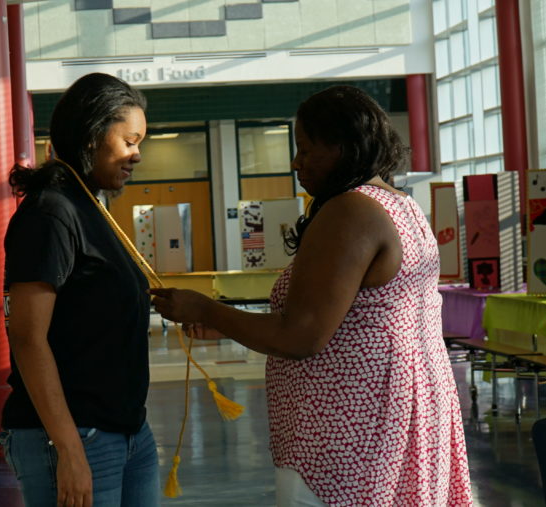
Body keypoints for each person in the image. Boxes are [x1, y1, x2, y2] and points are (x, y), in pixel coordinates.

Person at [150, 86, 472, 506]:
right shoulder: (400, 205)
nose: (296, 162)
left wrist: (204, 306)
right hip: (399, 417)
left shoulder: (351, 210)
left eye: (305, 149)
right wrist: (228, 324)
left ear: (344, 147)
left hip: (351, 430)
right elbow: (350, 323)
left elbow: (301, 336)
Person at [0, 72, 159, 507]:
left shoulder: (90, 206)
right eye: (129, 141)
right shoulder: (51, 214)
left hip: (125, 431)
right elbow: (28, 339)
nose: (137, 155)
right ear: (93, 135)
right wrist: (69, 448)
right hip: (76, 436)